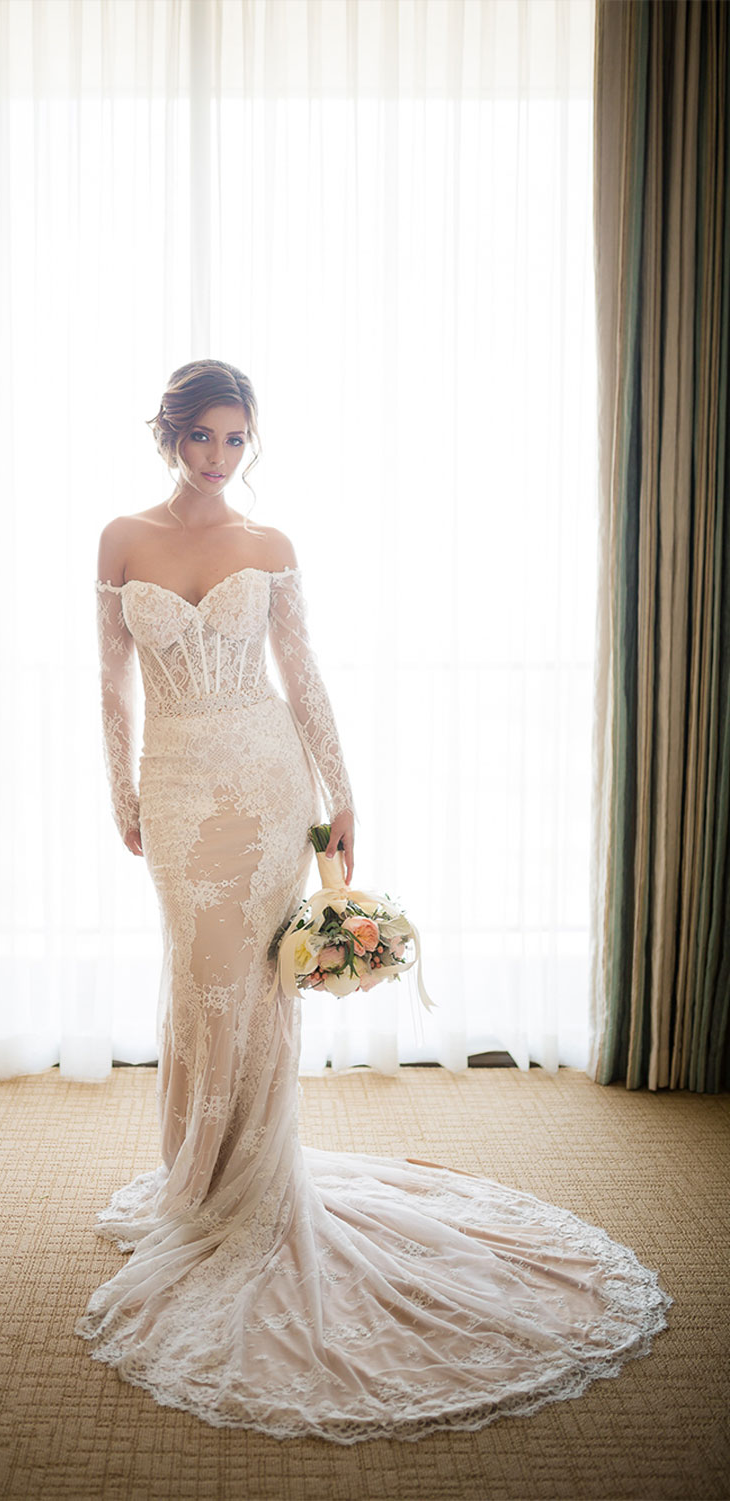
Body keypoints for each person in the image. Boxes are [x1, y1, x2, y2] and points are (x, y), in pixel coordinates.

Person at [83, 357, 668, 1441]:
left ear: (247, 442)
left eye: (234, 439)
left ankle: (246, 1180)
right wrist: (117, 787)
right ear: (167, 435)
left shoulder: (270, 547)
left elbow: (299, 675)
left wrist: (341, 794)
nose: (217, 458)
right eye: (200, 437)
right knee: (197, 979)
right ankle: (194, 1174)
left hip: (266, 782)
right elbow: (108, 675)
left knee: (258, 984)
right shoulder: (121, 538)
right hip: (171, 783)